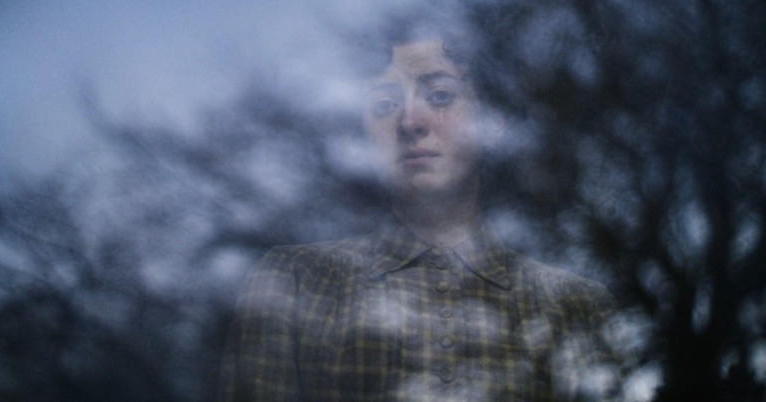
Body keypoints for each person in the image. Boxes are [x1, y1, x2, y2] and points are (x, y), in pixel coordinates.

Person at [220, 33, 620, 401]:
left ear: (490, 122)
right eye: (384, 104)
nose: (410, 122)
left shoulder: (572, 304)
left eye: (441, 96)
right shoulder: (295, 282)